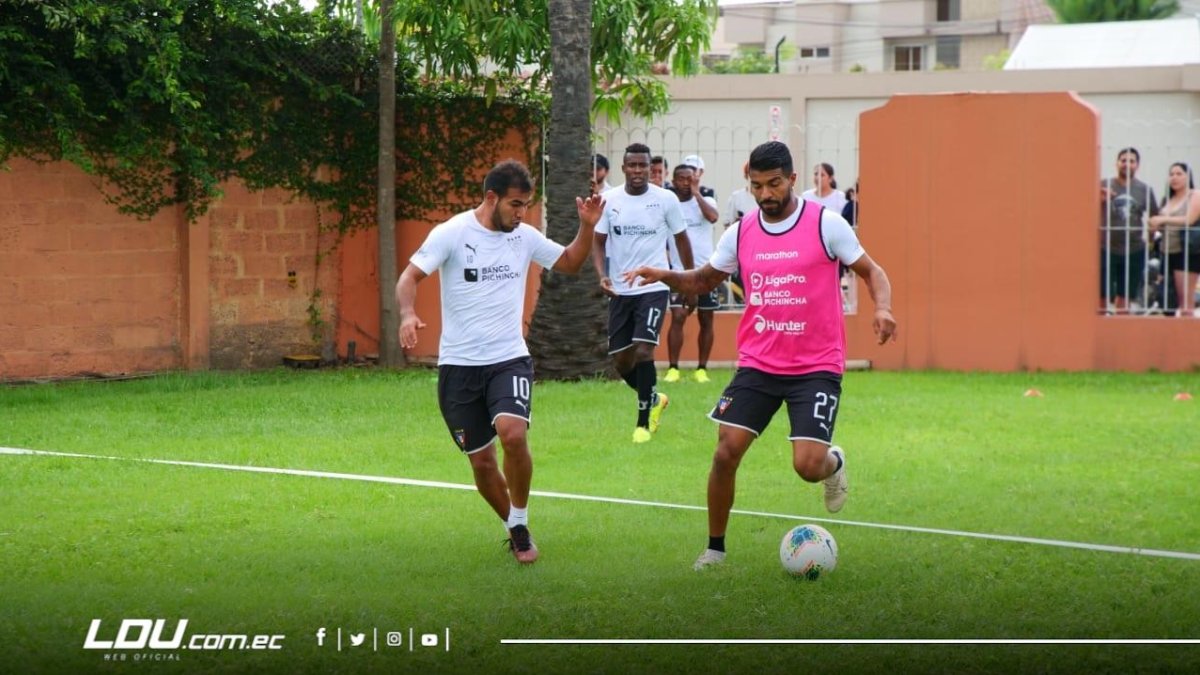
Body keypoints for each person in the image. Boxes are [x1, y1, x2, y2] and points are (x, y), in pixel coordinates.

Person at [622, 141, 897, 571]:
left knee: (807, 467)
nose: (766, 195)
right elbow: (704, 278)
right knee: (725, 451)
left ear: (791, 178)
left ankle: (834, 462)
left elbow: (872, 272)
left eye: (774, 184)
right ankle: (715, 549)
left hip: (815, 367)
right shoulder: (742, 231)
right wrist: (665, 276)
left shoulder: (826, 224)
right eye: (757, 186)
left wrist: (881, 308)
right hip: (758, 363)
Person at [396, 160, 604, 564]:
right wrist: (407, 314)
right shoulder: (452, 233)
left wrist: (587, 226)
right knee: (482, 460)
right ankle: (512, 524)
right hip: (458, 366)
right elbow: (408, 278)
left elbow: (570, 263)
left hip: (509, 358)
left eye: (526, 205)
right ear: (491, 197)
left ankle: (522, 521)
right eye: (515, 204)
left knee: (512, 434)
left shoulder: (523, 236)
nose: (521, 213)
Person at [593, 143, 694, 444]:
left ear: (651, 169)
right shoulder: (608, 201)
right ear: (623, 168)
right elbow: (598, 242)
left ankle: (642, 425)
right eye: (632, 165)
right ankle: (654, 398)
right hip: (621, 291)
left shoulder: (665, 199)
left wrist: (689, 281)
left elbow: (681, 240)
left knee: (643, 350)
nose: (638, 171)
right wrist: (602, 275)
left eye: (643, 166)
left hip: (653, 286)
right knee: (621, 362)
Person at [664, 163, 721, 384]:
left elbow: (714, 217)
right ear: (674, 181)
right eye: (681, 179)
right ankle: (673, 368)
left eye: (690, 179)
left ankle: (701, 369)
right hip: (679, 273)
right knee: (678, 316)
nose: (686, 183)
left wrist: (697, 193)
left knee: (707, 318)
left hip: (707, 271)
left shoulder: (706, 201)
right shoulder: (669, 205)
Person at [1100, 147, 1158, 314]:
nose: (1127, 164)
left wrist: (1151, 241)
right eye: (1123, 160)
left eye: (1131, 161)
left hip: (1134, 249)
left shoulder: (1144, 189)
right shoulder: (1104, 185)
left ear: (1137, 165)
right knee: (1102, 293)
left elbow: (1154, 217)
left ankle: (1119, 331)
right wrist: (1100, 198)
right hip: (1106, 247)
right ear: (1116, 163)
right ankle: (1102, 328)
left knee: (1126, 294)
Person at [1148, 162, 1200, 317]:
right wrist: (1153, 226)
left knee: (1185, 301)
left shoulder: (1195, 195)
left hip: (1185, 252)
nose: (1174, 178)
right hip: (1165, 252)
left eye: (1179, 174)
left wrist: (1162, 219)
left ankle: (1188, 336)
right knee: (1167, 298)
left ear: (1188, 176)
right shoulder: (1167, 199)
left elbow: (1189, 220)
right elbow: (1159, 225)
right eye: (1171, 174)